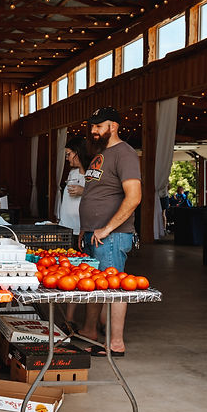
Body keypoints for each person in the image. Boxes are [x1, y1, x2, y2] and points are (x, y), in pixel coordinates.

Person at [78, 106, 142, 357]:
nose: (93, 131)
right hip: (93, 234)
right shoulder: (101, 153)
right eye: (92, 126)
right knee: (94, 285)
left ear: (113, 126)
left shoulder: (125, 153)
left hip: (112, 236)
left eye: (98, 126)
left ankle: (115, 343)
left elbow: (134, 197)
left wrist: (107, 228)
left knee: (114, 288)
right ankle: (90, 331)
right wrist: (85, 229)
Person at [59, 136, 90, 239]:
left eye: (68, 154)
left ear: (78, 153)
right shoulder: (72, 173)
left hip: (80, 229)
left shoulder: (92, 175)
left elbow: (101, 196)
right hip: (66, 226)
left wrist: (83, 191)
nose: (67, 158)